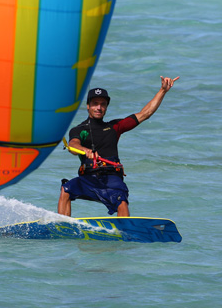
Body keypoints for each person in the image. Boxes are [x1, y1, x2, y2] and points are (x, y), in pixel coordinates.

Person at [57, 76, 179, 217]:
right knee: (66, 189)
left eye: (103, 104)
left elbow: (145, 114)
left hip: (112, 177)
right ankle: (63, 224)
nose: (99, 107)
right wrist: (85, 151)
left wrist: (162, 91)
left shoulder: (114, 127)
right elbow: (73, 145)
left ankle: (125, 229)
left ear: (106, 107)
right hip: (89, 178)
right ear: (88, 106)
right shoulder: (79, 130)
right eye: (95, 103)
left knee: (121, 199)